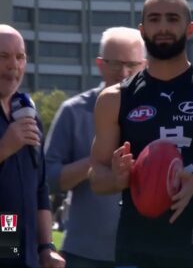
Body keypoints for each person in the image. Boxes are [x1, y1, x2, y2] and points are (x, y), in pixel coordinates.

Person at [89, 0, 193, 268]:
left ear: (189, 29)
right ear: (142, 31)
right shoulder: (115, 98)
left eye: (172, 19)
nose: (163, 27)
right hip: (135, 247)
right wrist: (118, 179)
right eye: (154, 19)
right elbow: (97, 177)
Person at [45, 27, 146, 268]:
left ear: (144, 65)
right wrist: (95, 160)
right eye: (115, 64)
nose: (124, 73)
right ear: (100, 64)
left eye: (131, 64)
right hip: (84, 252)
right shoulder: (73, 111)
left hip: (142, 251)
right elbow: (48, 178)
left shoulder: (160, 113)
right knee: (8, 245)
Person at [0, 24, 65, 268]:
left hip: (14, 241)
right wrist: (5, 147)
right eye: (3, 56)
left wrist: (46, 247)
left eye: (20, 57)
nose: (13, 65)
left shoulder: (28, 115)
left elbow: (40, 188)